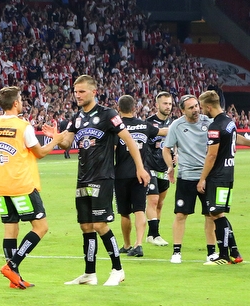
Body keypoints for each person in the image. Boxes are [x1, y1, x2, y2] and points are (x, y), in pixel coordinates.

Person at [51, 75, 149, 286]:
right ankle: (89, 273)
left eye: (82, 91)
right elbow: (67, 143)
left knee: (100, 224)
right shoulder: (77, 117)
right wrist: (57, 137)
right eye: (75, 91)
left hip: (103, 177)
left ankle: (117, 269)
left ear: (94, 92)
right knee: (86, 226)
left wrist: (140, 167)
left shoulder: (108, 114)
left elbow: (129, 140)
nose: (77, 95)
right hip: (83, 177)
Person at [0, 86, 65, 289]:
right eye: (20, 99)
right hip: (23, 185)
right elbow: (39, 152)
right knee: (41, 227)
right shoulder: (23, 126)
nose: (22, 102)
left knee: (10, 231)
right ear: (15, 104)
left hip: (2, 185)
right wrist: (55, 140)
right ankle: (12, 266)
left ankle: (16, 279)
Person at [162, 94, 218, 264]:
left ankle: (211, 252)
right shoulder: (177, 126)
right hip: (186, 176)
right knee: (181, 214)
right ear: (182, 110)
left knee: (210, 214)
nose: (195, 110)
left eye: (196, 106)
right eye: (191, 107)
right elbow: (166, 148)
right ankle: (177, 252)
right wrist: (170, 166)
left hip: (207, 177)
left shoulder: (208, 123)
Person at [113, 95, 167, 258]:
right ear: (135, 108)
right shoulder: (144, 125)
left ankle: (127, 244)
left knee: (124, 212)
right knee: (139, 209)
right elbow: (163, 131)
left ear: (118, 109)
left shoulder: (117, 127)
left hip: (121, 174)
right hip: (141, 173)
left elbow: (113, 149)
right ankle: (139, 244)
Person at [197, 90, 243, 266]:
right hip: (228, 174)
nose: (202, 111)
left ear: (209, 107)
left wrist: (202, 179)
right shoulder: (229, 122)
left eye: (202, 107)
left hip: (218, 176)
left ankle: (223, 255)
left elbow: (211, 156)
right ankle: (235, 252)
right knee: (218, 213)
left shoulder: (215, 126)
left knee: (216, 214)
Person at [145, 92, 174, 246]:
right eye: (165, 103)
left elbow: (175, 144)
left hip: (165, 167)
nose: (168, 106)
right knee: (153, 200)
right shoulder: (148, 123)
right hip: (149, 166)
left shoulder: (174, 123)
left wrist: (176, 156)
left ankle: (151, 235)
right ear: (157, 105)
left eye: (170, 104)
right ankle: (156, 235)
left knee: (160, 203)